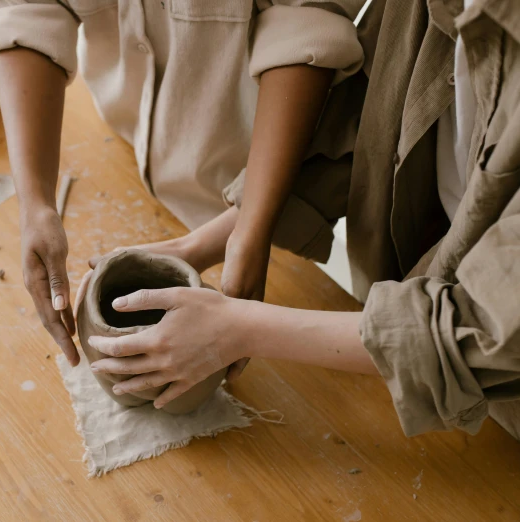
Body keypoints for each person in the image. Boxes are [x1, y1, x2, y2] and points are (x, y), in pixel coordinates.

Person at [83, 0, 520, 439]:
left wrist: (242, 329)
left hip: (494, 405)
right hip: (393, 330)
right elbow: (365, 116)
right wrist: (203, 244)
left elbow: (491, 331)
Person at [0, 0, 366, 376]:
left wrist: (251, 230)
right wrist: (36, 203)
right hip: (127, 139)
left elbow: (304, 26)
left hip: (252, 164)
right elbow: (27, 9)